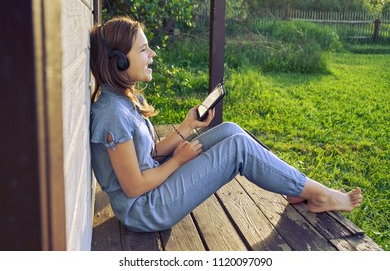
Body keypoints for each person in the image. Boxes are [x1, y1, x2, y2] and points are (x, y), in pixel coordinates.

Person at [89, 16, 362, 232]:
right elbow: (134, 187)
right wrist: (177, 161)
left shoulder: (124, 100)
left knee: (230, 130)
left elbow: (148, 156)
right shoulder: (112, 113)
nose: (152, 54)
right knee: (238, 148)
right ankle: (320, 195)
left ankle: (294, 188)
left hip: (153, 188)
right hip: (146, 209)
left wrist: (187, 126)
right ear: (120, 61)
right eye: (143, 49)